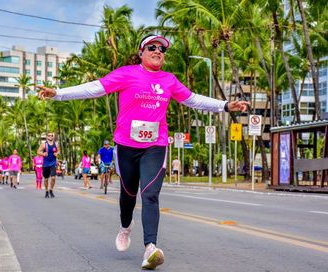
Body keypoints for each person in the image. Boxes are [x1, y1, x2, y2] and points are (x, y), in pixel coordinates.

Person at [37, 34, 249, 270]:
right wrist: (58, 93)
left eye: (162, 49)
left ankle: (150, 248)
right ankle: (125, 227)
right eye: (152, 47)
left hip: (155, 145)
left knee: (150, 194)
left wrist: (224, 105)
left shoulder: (169, 80)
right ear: (141, 52)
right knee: (128, 194)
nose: (158, 51)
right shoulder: (126, 74)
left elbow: (193, 100)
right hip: (126, 146)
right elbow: (94, 88)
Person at [37, 132, 60, 198]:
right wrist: (43, 154)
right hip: (46, 164)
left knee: (53, 178)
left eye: (51, 135)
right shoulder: (44, 144)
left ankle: (51, 190)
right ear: (47, 137)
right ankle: (46, 191)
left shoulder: (56, 144)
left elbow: (58, 150)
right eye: (49, 135)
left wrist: (57, 153)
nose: (50, 137)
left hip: (53, 163)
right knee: (46, 179)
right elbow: (38, 151)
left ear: (53, 137)